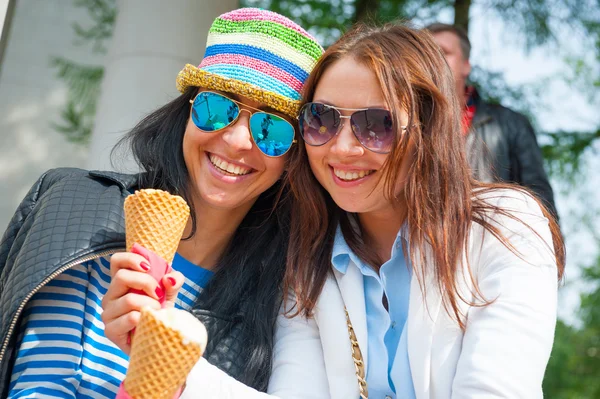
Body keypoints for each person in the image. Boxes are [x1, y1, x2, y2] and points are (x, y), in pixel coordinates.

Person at [105, 22, 564, 399]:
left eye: (376, 125)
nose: (342, 149)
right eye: (320, 120)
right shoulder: (308, 257)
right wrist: (172, 367)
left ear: (427, 129)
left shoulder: (508, 229)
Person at [0, 8, 322, 398]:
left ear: (292, 158)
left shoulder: (286, 298)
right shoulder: (79, 213)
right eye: (218, 107)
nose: (237, 142)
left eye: (271, 127)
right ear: (186, 109)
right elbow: (39, 388)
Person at [426, 22, 559, 220]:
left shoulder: (511, 124)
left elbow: (540, 203)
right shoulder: (403, 127)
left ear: (466, 65)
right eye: (426, 54)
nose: (434, 60)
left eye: (443, 52)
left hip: (495, 245)